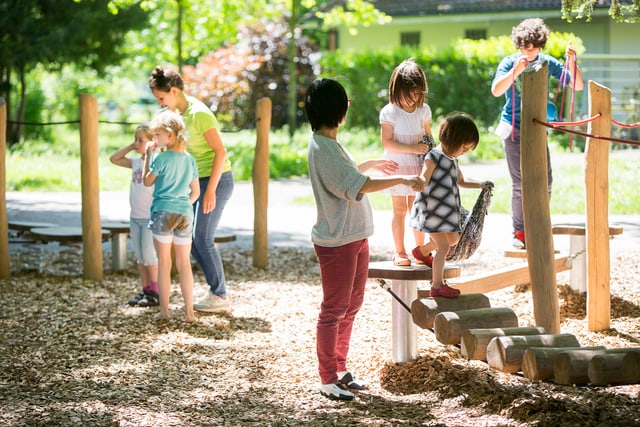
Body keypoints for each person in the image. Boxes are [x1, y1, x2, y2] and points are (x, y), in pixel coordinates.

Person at [305, 78, 424, 401]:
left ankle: (340, 369)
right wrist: (402, 178)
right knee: (334, 309)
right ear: (337, 109)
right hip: (338, 241)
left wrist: (368, 165)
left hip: (354, 237)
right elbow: (356, 185)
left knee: (351, 305)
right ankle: (327, 377)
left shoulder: (328, 143)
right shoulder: (322, 146)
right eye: (345, 103)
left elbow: (343, 176)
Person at [491, 18, 584, 249]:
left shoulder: (546, 62)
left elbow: (577, 85)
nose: (529, 50)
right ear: (518, 45)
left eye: (533, 46)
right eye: (524, 45)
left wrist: (572, 62)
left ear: (540, 45)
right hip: (513, 128)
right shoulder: (509, 62)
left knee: (545, 181)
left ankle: (538, 226)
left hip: (538, 128)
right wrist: (515, 71)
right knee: (520, 183)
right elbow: (496, 90)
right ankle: (519, 232)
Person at [148, 66, 234, 313]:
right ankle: (216, 292)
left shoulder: (199, 114)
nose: (161, 104)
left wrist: (210, 191)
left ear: (173, 91)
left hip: (217, 180)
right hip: (199, 181)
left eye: (162, 99)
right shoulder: (178, 114)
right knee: (193, 239)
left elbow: (220, 152)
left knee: (202, 238)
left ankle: (220, 295)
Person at [410, 113, 494, 298]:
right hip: (431, 211)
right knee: (443, 247)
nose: (464, 152)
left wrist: (480, 184)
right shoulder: (434, 156)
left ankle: (422, 251)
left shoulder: (452, 160)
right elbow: (425, 176)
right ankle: (437, 286)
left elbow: (462, 180)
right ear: (452, 139)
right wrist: (420, 182)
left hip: (446, 212)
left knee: (453, 239)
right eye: (464, 147)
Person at [143, 110, 200, 323]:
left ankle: (165, 312)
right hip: (184, 213)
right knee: (184, 264)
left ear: (170, 135)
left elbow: (147, 181)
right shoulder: (189, 160)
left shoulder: (161, 158)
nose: (154, 139)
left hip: (162, 212)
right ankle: (189, 313)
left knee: (164, 263)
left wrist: (149, 155)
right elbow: (195, 192)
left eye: (157, 135)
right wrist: (184, 205)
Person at [379, 59, 435, 266]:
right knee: (399, 210)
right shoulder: (389, 111)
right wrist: (412, 148)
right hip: (397, 167)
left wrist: (432, 153)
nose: (412, 99)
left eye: (417, 94)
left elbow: (429, 137)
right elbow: (387, 141)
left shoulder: (424, 111)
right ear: (396, 89)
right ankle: (400, 251)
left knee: (417, 209)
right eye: (407, 94)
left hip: (418, 168)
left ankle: (420, 251)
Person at [109, 123, 159, 307]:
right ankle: (145, 288)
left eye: (140, 140)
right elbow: (114, 159)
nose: (136, 143)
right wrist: (132, 146)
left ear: (153, 142)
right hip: (135, 217)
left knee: (149, 256)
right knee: (140, 257)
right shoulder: (136, 162)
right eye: (135, 139)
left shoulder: (155, 163)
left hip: (149, 217)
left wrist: (150, 151)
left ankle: (155, 291)